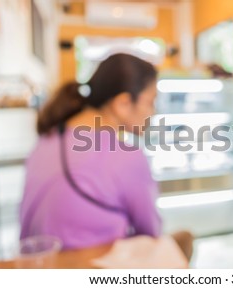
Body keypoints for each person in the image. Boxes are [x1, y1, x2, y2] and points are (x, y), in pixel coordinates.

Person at [20, 53, 193, 260]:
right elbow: (150, 232)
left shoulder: (47, 139)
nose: (153, 113)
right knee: (185, 239)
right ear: (123, 103)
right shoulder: (126, 155)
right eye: (151, 102)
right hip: (94, 269)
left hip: (42, 266)